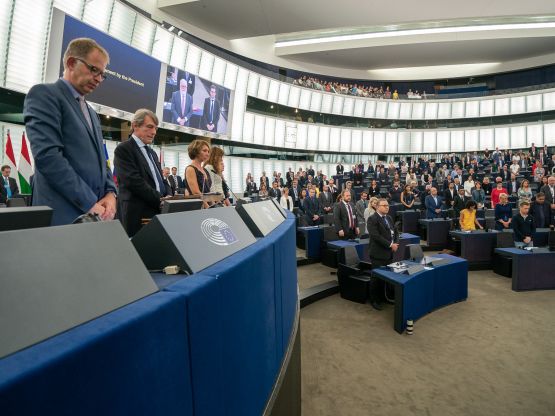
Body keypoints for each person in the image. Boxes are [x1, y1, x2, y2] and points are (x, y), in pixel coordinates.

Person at [23, 37, 117, 225]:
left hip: (96, 215)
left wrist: (110, 193)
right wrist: (90, 203)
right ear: (71, 63)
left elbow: (102, 160)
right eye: (94, 70)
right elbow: (48, 158)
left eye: (102, 74)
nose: (99, 79)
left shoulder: (91, 112)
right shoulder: (45, 95)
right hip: (63, 217)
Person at [114, 109, 169, 237]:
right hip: (137, 215)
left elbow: (161, 180)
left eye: (156, 128)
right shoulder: (124, 149)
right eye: (149, 127)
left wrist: (170, 196)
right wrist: (160, 199)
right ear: (135, 126)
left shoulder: (153, 153)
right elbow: (133, 181)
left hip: (157, 212)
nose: (154, 132)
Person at [367, 198, 399, 311]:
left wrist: (396, 242)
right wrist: (391, 245)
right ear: (377, 206)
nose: (387, 207)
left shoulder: (389, 218)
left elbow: (395, 231)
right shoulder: (372, 219)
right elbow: (376, 236)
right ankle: (374, 300)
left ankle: (384, 297)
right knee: (376, 278)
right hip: (378, 253)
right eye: (384, 205)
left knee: (386, 277)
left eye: (388, 205)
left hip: (389, 254)